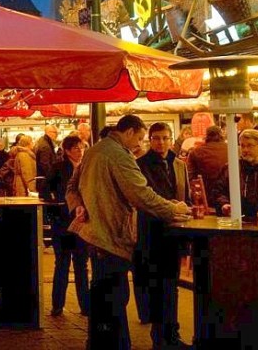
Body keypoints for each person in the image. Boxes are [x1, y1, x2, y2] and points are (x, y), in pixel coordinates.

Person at [66, 115, 191, 349]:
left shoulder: (94, 150)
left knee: (103, 291)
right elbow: (141, 195)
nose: (140, 144)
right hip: (111, 233)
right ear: (130, 131)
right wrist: (173, 208)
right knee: (114, 293)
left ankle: (100, 341)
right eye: (141, 138)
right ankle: (114, 343)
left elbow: (72, 187)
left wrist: (78, 206)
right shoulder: (119, 155)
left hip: (95, 232)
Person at [133, 122, 191, 349]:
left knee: (171, 285)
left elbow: (183, 192)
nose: (161, 142)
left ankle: (171, 334)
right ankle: (161, 336)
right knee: (158, 285)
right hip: (152, 232)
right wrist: (170, 206)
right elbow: (145, 198)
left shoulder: (179, 164)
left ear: (171, 138)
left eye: (165, 138)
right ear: (149, 140)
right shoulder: (140, 165)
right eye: (156, 138)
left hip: (175, 232)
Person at [47, 135, 89, 318]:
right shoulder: (58, 168)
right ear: (66, 151)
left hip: (81, 222)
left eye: (82, 148)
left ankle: (85, 305)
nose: (80, 151)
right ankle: (57, 305)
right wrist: (56, 209)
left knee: (81, 264)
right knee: (62, 263)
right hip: (62, 223)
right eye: (76, 148)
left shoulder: (87, 167)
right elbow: (44, 189)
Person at [186, 125, 228, 203]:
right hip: (230, 196)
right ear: (221, 135)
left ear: (206, 136)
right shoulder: (232, 149)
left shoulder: (196, 152)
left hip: (206, 198)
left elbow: (189, 177)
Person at [34, 124, 59, 197]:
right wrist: (51, 177)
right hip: (45, 180)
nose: (56, 135)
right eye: (55, 132)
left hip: (43, 179)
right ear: (49, 132)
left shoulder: (44, 142)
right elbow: (45, 164)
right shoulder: (45, 146)